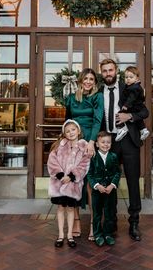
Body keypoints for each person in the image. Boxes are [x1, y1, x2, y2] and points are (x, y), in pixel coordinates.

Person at [99, 58, 149, 241]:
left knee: (133, 181)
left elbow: (145, 112)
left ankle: (134, 222)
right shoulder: (98, 91)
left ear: (116, 71)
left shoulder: (128, 87)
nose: (108, 73)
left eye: (111, 70)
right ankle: (110, 222)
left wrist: (130, 116)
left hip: (128, 140)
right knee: (108, 181)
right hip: (108, 141)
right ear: (101, 73)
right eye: (105, 71)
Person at [65, 68, 104, 240]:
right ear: (80, 81)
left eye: (91, 79)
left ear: (95, 82)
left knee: (90, 185)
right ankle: (76, 222)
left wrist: (91, 142)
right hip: (74, 144)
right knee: (74, 183)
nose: (88, 82)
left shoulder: (97, 97)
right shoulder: (71, 99)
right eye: (85, 79)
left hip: (89, 143)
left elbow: (98, 120)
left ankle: (94, 225)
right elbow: (67, 122)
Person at [47, 119, 90, 248]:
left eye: (73, 129)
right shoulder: (59, 146)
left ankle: (70, 235)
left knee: (71, 208)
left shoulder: (84, 146)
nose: (70, 133)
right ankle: (61, 235)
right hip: (59, 184)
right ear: (64, 134)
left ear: (78, 130)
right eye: (67, 131)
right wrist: (60, 175)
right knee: (60, 208)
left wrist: (72, 176)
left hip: (73, 185)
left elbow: (84, 164)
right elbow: (52, 161)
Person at [87, 131, 121, 247]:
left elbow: (117, 172)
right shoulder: (93, 157)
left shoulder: (114, 156)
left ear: (111, 144)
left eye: (108, 142)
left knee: (109, 213)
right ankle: (97, 234)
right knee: (97, 213)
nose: (105, 144)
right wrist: (97, 185)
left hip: (110, 191)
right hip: (97, 192)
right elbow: (90, 175)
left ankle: (108, 234)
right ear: (97, 144)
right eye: (103, 142)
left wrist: (112, 185)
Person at [115, 65, 150, 142]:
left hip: (134, 106)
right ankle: (143, 130)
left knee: (119, 115)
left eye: (131, 77)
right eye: (126, 77)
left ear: (136, 78)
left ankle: (121, 128)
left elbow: (132, 98)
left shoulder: (134, 88)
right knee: (138, 120)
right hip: (136, 107)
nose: (128, 79)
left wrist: (126, 105)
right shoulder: (131, 86)